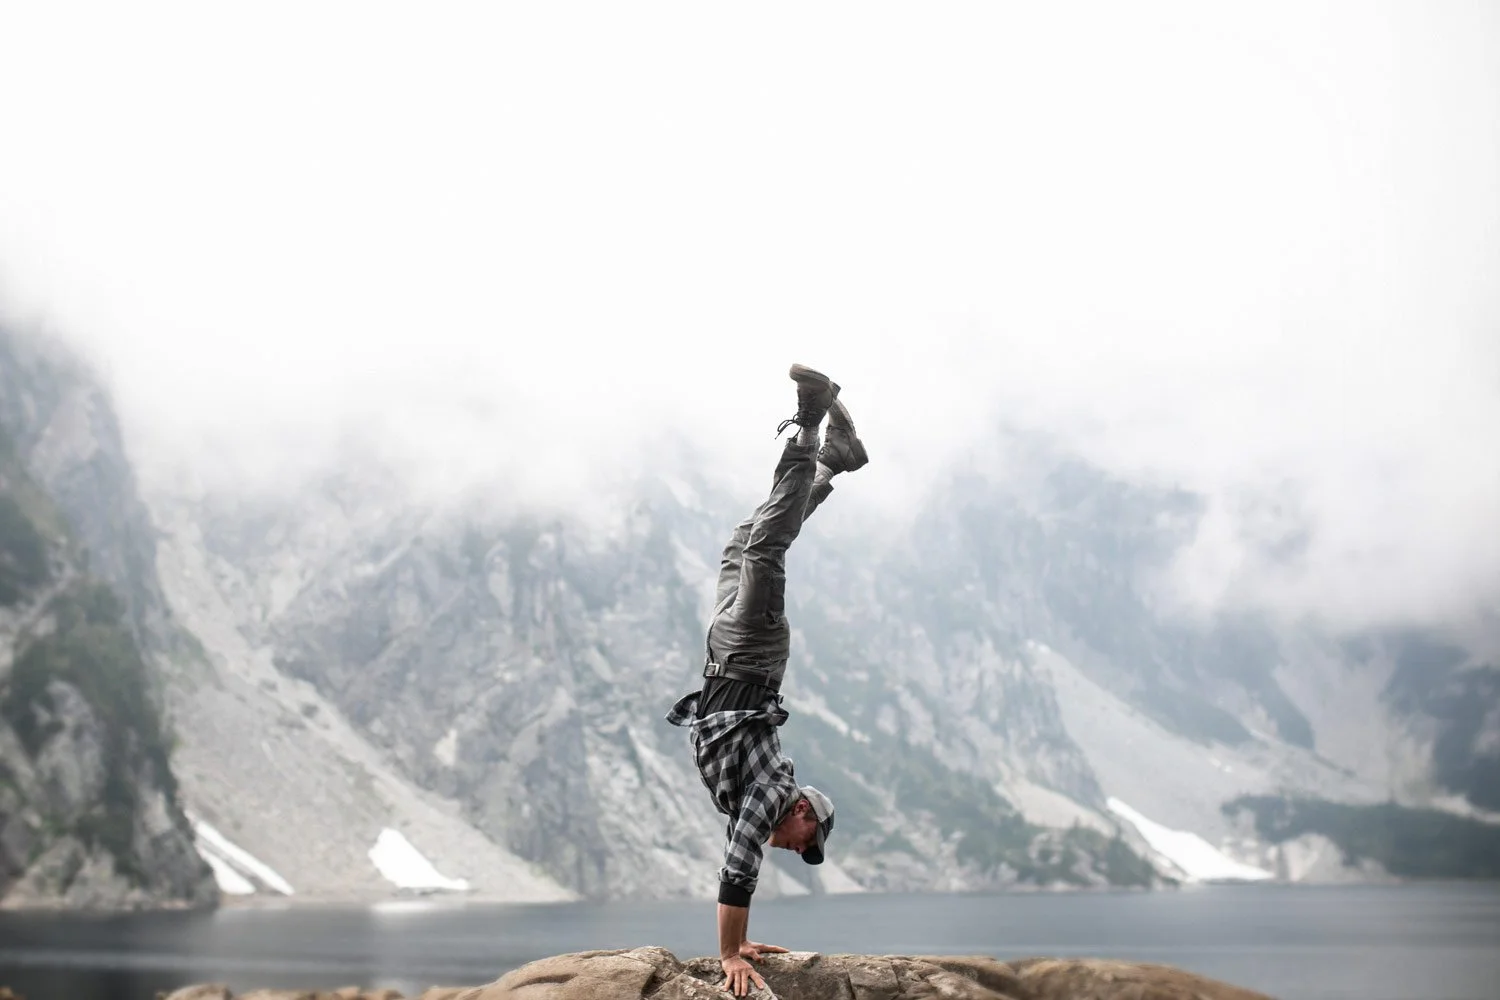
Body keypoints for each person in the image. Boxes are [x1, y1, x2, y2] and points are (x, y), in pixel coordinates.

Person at [666, 363, 869, 997]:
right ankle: (809, 425)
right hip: (750, 657)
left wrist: (740, 940)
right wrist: (729, 954)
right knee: (763, 551)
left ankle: (835, 462)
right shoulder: (773, 797)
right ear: (806, 812)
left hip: (725, 656)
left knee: (743, 542)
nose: (798, 850)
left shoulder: (758, 803)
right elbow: (739, 869)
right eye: (809, 843)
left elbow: (738, 858)